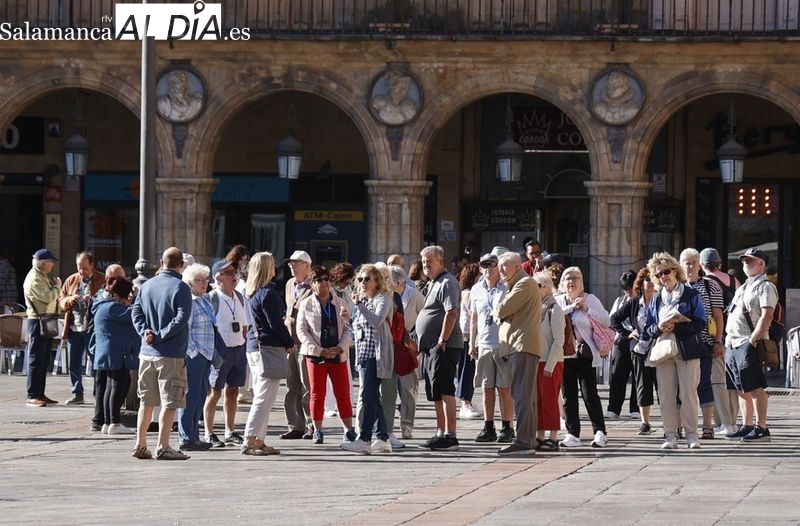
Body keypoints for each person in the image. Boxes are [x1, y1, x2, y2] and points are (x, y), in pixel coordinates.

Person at [131, 247, 193, 461]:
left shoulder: (146, 285)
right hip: (171, 352)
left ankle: (140, 444)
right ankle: (163, 445)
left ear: (161, 262)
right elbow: (182, 318)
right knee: (170, 401)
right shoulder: (181, 287)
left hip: (146, 352)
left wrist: (145, 332)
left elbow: (136, 311)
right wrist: (160, 335)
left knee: (146, 402)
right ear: (181, 265)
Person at [641, 252, 706, 450]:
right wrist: (660, 328)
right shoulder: (656, 299)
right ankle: (670, 435)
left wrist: (677, 327)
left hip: (687, 349)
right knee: (666, 394)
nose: (663, 276)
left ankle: (692, 435)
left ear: (675, 271)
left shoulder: (690, 294)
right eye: (659, 274)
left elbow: (701, 323)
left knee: (688, 393)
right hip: (663, 350)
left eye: (666, 271)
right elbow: (647, 328)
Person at [242, 252, 294, 456]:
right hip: (267, 347)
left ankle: (259, 439)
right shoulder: (268, 294)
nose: (275, 268)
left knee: (265, 396)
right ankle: (249, 439)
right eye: (272, 264)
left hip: (255, 347)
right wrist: (289, 342)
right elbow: (276, 324)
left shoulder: (252, 293)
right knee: (264, 397)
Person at [296, 265, 355, 445]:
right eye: (318, 280)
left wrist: (340, 347)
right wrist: (319, 350)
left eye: (326, 279)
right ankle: (318, 430)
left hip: (337, 354)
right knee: (317, 394)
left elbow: (349, 330)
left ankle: (348, 429)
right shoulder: (306, 304)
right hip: (316, 356)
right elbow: (302, 331)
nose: (323, 283)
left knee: (343, 393)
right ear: (312, 285)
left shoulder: (340, 303)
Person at [723, 247, 777, 442]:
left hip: (748, 341)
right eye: (744, 261)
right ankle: (746, 425)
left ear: (761, 263)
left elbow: (767, 315)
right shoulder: (744, 286)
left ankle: (761, 427)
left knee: (755, 387)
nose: (746, 264)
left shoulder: (766, 286)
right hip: (733, 342)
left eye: (751, 261)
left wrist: (754, 339)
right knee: (740, 387)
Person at [341, 264, 394, 454]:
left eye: (367, 279)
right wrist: (348, 320)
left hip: (376, 354)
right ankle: (382, 437)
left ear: (377, 282)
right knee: (373, 396)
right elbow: (359, 330)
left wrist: (359, 305)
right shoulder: (364, 301)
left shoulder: (383, 299)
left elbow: (376, 321)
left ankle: (365, 438)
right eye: (361, 279)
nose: (362, 282)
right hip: (363, 353)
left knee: (368, 395)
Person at [492, 252, 542, 455]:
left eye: (506, 266)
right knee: (525, 396)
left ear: (518, 267)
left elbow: (502, 309)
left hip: (522, 347)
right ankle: (527, 440)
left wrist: (498, 312)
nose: (501, 269)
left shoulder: (524, 284)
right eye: (500, 266)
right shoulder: (516, 284)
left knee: (522, 395)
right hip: (519, 347)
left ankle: (523, 441)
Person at [555, 266, 610, 448]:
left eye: (576, 278)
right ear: (562, 283)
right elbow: (551, 318)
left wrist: (586, 309)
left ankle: (600, 431)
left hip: (585, 354)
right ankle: (572, 433)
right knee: (568, 395)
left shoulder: (590, 299)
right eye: (568, 278)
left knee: (589, 394)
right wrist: (571, 307)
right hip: (564, 355)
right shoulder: (558, 301)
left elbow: (606, 320)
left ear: (582, 282)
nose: (572, 281)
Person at [415, 246, 463, 451]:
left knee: (445, 389)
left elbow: (451, 312)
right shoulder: (433, 283)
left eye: (430, 261)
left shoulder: (447, 282)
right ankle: (440, 432)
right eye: (424, 262)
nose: (426, 265)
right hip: (431, 347)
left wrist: (442, 340)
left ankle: (450, 435)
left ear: (441, 261)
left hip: (444, 345)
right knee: (435, 392)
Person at [469, 252, 514, 444]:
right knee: (487, 387)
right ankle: (488, 426)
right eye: (484, 266)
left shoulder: (506, 287)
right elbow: (474, 317)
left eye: (492, 265)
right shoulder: (476, 290)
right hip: (485, 342)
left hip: (503, 343)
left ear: (498, 267)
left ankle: (507, 426)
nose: (488, 269)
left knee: (504, 387)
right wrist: (472, 343)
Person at [681, 248, 725, 440]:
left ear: (700, 265)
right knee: (681, 387)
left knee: (704, 384)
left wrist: (718, 341)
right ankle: (681, 426)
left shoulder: (710, 286)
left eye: (693, 262)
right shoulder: (677, 287)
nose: (690, 266)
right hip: (681, 343)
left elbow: (717, 315)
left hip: (704, 343)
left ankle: (707, 427)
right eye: (686, 262)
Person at [204, 260, 248, 448]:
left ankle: (229, 431)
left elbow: (245, 324)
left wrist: (243, 342)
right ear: (217, 277)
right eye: (228, 272)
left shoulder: (239, 296)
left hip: (238, 348)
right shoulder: (211, 298)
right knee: (214, 392)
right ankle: (209, 432)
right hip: (220, 352)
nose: (234, 276)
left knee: (233, 390)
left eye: (234, 272)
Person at [610, 267, 658, 435]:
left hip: (661, 349)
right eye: (647, 280)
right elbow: (614, 319)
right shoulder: (634, 302)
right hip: (639, 349)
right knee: (642, 385)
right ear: (641, 284)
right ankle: (645, 423)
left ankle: (673, 424)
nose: (651, 283)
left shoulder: (662, 299)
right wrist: (627, 334)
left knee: (664, 387)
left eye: (653, 279)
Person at [699, 247, 741, 436]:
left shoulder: (707, 283)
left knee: (716, 382)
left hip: (716, 337)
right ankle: (733, 419)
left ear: (701, 265)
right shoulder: (735, 281)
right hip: (735, 336)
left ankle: (725, 422)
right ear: (720, 264)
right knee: (731, 381)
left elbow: (714, 314)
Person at [174, 264, 214, 452]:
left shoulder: (204, 300)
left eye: (205, 279)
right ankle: (185, 436)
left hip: (206, 354)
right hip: (195, 355)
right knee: (190, 397)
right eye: (199, 280)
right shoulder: (189, 301)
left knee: (200, 396)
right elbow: (185, 329)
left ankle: (194, 435)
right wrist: (193, 352)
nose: (204, 283)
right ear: (189, 283)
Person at [91, 277, 138, 434]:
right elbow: (134, 313)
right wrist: (139, 299)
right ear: (119, 295)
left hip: (107, 352)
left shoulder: (102, 305)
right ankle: (115, 422)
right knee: (118, 386)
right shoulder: (113, 308)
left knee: (110, 387)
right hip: (116, 353)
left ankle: (107, 422)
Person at [59, 251, 106, 405]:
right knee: (74, 362)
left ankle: (98, 393)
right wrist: (71, 299)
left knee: (96, 361)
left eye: (85, 268)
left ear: (92, 265)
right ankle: (77, 393)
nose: (82, 271)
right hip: (74, 327)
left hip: (92, 328)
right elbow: (61, 301)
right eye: (79, 267)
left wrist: (92, 299)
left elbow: (108, 298)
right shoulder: (71, 280)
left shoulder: (102, 279)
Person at [281, 250, 314, 440]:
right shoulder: (289, 284)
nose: (292, 266)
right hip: (290, 342)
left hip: (306, 342)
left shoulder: (314, 286)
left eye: (296, 263)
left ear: (307, 266)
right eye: (290, 263)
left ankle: (311, 425)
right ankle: (295, 425)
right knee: (291, 385)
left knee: (307, 385)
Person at [22, 249, 62, 407]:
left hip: (45, 319)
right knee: (36, 358)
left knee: (44, 359)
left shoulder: (41, 276)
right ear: (44, 263)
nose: (52, 265)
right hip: (37, 320)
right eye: (51, 262)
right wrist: (57, 287)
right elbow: (47, 297)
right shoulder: (34, 278)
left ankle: (40, 393)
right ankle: (32, 395)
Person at [390, 264, 425, 440]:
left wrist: (417, 342)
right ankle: (387, 427)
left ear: (399, 282)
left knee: (408, 389)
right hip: (391, 346)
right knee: (389, 389)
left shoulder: (414, 295)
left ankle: (406, 426)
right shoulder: (386, 296)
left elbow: (426, 317)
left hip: (408, 345)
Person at [532, 272, 565, 451]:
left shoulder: (555, 309)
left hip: (551, 361)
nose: (535, 289)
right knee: (537, 400)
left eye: (538, 285)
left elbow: (558, 340)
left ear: (547, 287)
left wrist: (551, 365)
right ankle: (539, 435)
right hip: (537, 360)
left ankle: (553, 436)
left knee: (550, 400)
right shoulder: (537, 308)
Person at [605, 270, 639, 420]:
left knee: (638, 376)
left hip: (639, 342)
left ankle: (636, 408)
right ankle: (614, 408)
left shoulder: (644, 300)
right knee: (617, 375)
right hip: (622, 342)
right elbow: (611, 320)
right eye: (626, 290)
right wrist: (624, 333)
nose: (628, 293)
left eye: (631, 289)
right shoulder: (620, 301)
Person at [457, 263, 482, 420]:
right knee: (467, 370)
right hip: (467, 337)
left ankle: (467, 401)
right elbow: (474, 314)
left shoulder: (469, 292)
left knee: (468, 369)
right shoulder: (469, 293)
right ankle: (465, 403)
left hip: (470, 336)